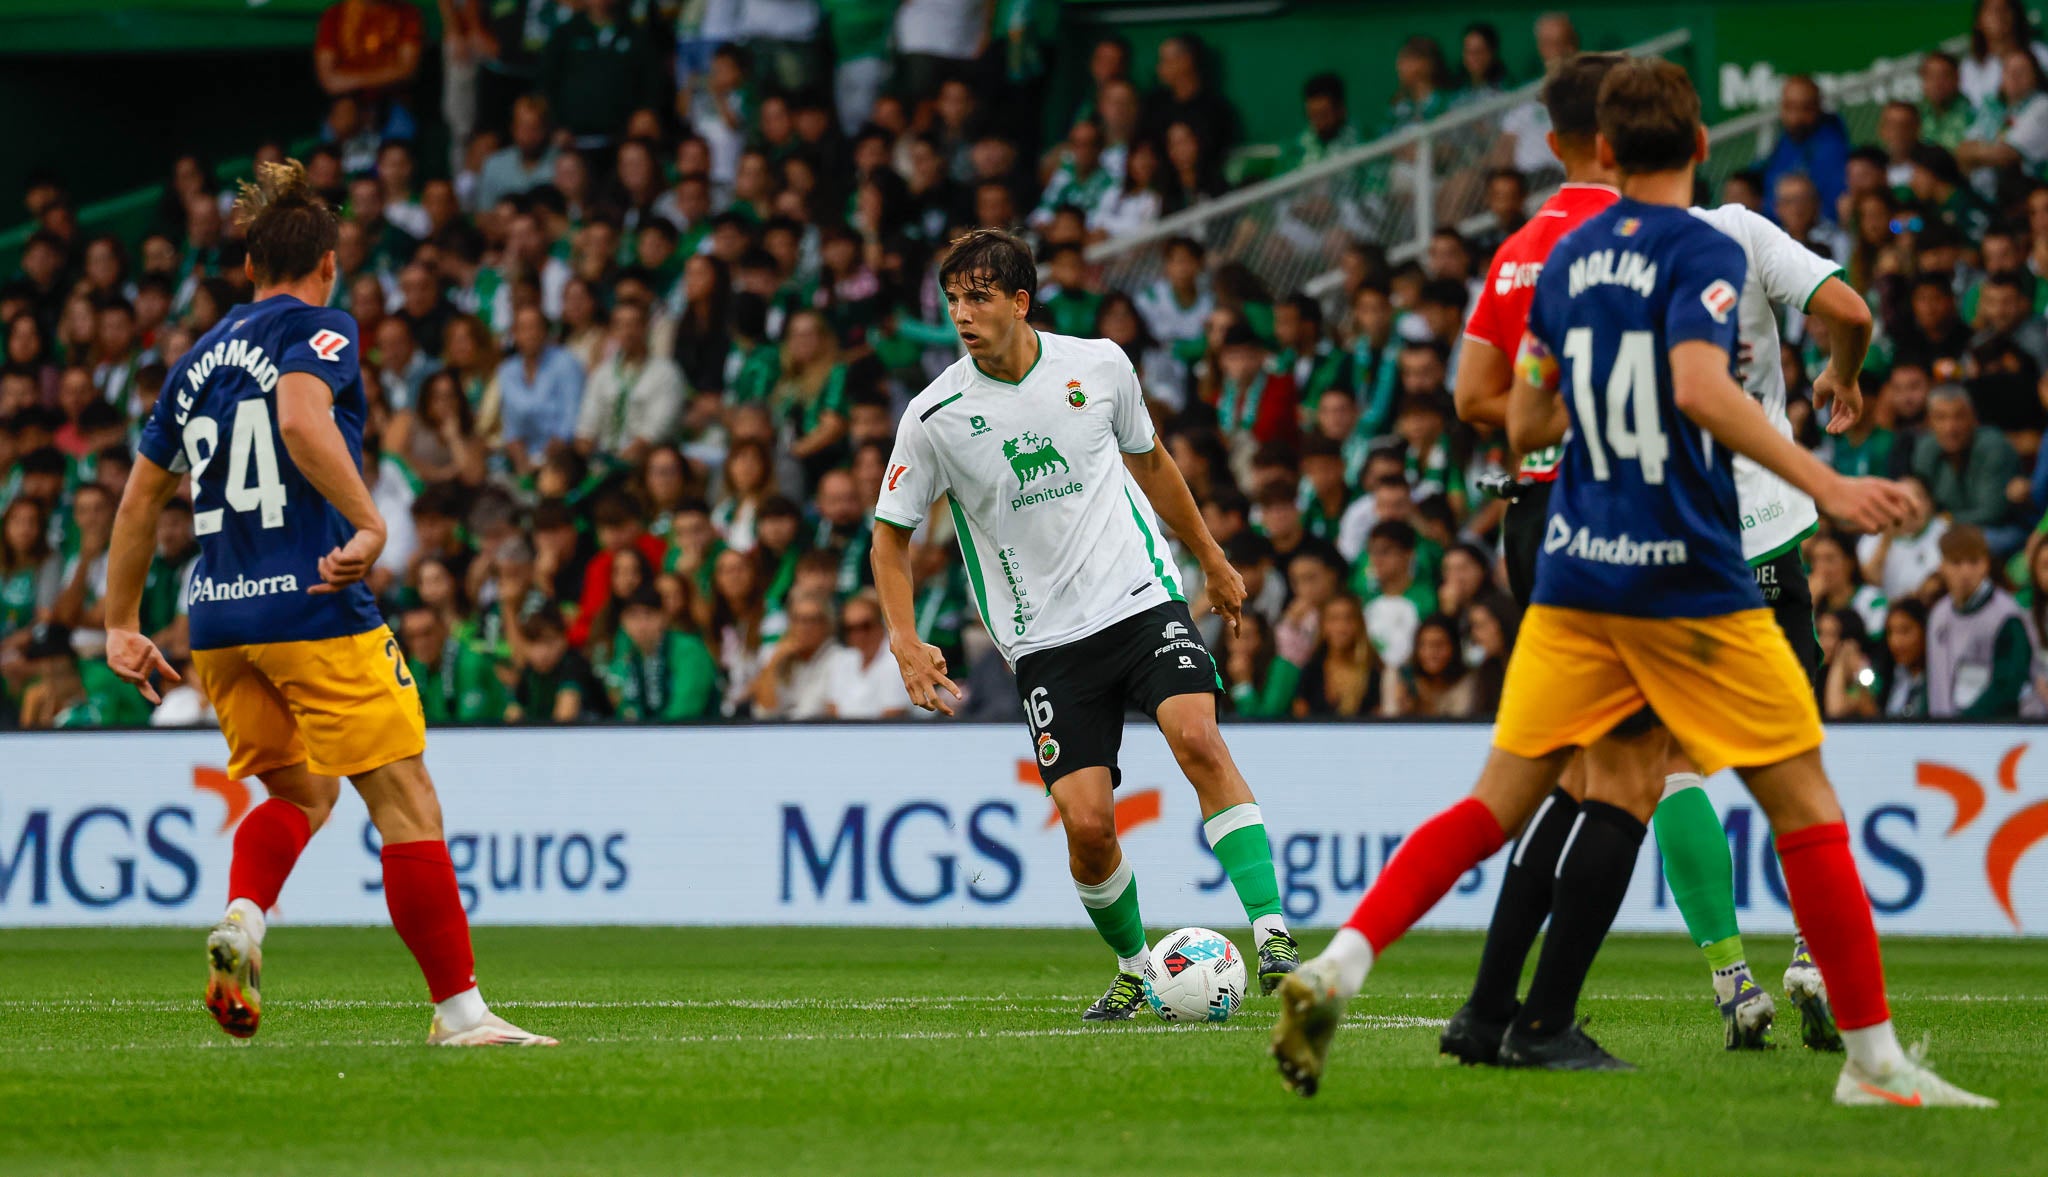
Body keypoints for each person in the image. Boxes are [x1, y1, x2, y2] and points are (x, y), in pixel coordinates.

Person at [1273, 58, 1990, 1107]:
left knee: (1497, 802)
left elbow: (1522, 418)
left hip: (1574, 569)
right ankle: (1874, 1065)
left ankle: (1339, 962)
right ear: (1699, 144)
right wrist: (1825, 483)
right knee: (1806, 801)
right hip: (1682, 572)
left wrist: (1597, 407)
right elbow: (1700, 385)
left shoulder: (1564, 260)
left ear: (1603, 151)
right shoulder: (1704, 246)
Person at [99, 161, 552, 1046]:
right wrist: (371, 522)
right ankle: (461, 1015)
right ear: (329, 266)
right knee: (407, 802)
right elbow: (302, 418)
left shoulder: (193, 364)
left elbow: (139, 499)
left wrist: (120, 622)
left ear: (247, 267)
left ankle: (244, 918)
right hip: (310, 605)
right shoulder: (321, 326)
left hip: (221, 621)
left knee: (304, 793)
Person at [872, 229, 1298, 1022]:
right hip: (1044, 641)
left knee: (1197, 737)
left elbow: (1153, 463)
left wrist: (1211, 557)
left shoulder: (1099, 365)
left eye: (979, 298)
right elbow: (889, 535)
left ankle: (1273, 932)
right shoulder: (933, 416)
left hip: (1139, 597)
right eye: (954, 299)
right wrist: (904, 638)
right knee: (1090, 826)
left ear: (1020, 302)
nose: (962, 314)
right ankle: (1135, 968)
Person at [1926, 524, 2033, 718]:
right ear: (1942, 566)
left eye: (1973, 562)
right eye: (1956, 562)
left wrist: (1966, 723)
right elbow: (1933, 678)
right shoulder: (1938, 614)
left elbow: (2007, 686)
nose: (1965, 572)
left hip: (1988, 730)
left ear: (1986, 564)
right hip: (1941, 729)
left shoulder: (2006, 615)